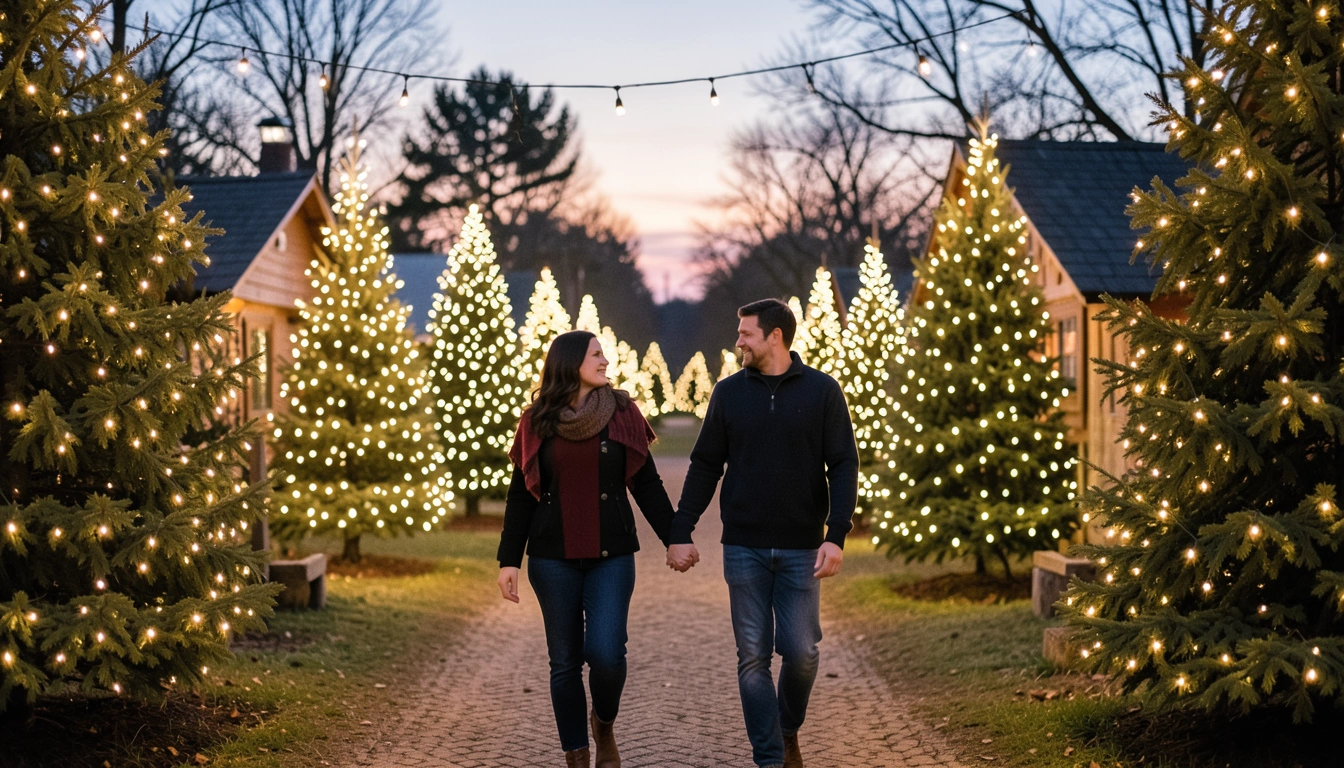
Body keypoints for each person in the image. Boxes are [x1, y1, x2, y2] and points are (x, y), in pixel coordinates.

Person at [666, 298, 858, 768]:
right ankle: (771, 757)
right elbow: (706, 464)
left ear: (775, 336)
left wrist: (836, 535)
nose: (738, 342)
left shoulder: (822, 391)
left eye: (746, 333)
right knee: (752, 658)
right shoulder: (729, 394)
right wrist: (681, 528)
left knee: (802, 653)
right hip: (744, 547)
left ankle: (787, 726)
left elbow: (844, 464)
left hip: (802, 548)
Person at [498, 330, 677, 768]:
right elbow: (521, 496)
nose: (605, 360)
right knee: (563, 662)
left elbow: (647, 484)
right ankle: (576, 755)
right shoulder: (535, 420)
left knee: (607, 653)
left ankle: (604, 722)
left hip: (611, 556)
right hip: (550, 557)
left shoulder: (622, 412)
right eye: (596, 354)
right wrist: (508, 561)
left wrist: (676, 535)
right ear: (571, 362)